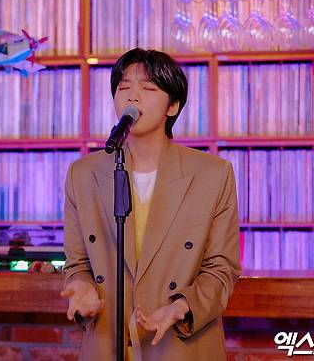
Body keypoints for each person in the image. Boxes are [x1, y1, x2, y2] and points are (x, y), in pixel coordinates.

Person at [61, 48, 241, 360]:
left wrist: (182, 307)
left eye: (148, 88)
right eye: (124, 87)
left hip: (180, 346)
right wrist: (82, 287)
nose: (132, 96)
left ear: (173, 105)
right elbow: (77, 262)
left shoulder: (212, 174)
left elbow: (221, 267)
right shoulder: (83, 174)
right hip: (108, 343)